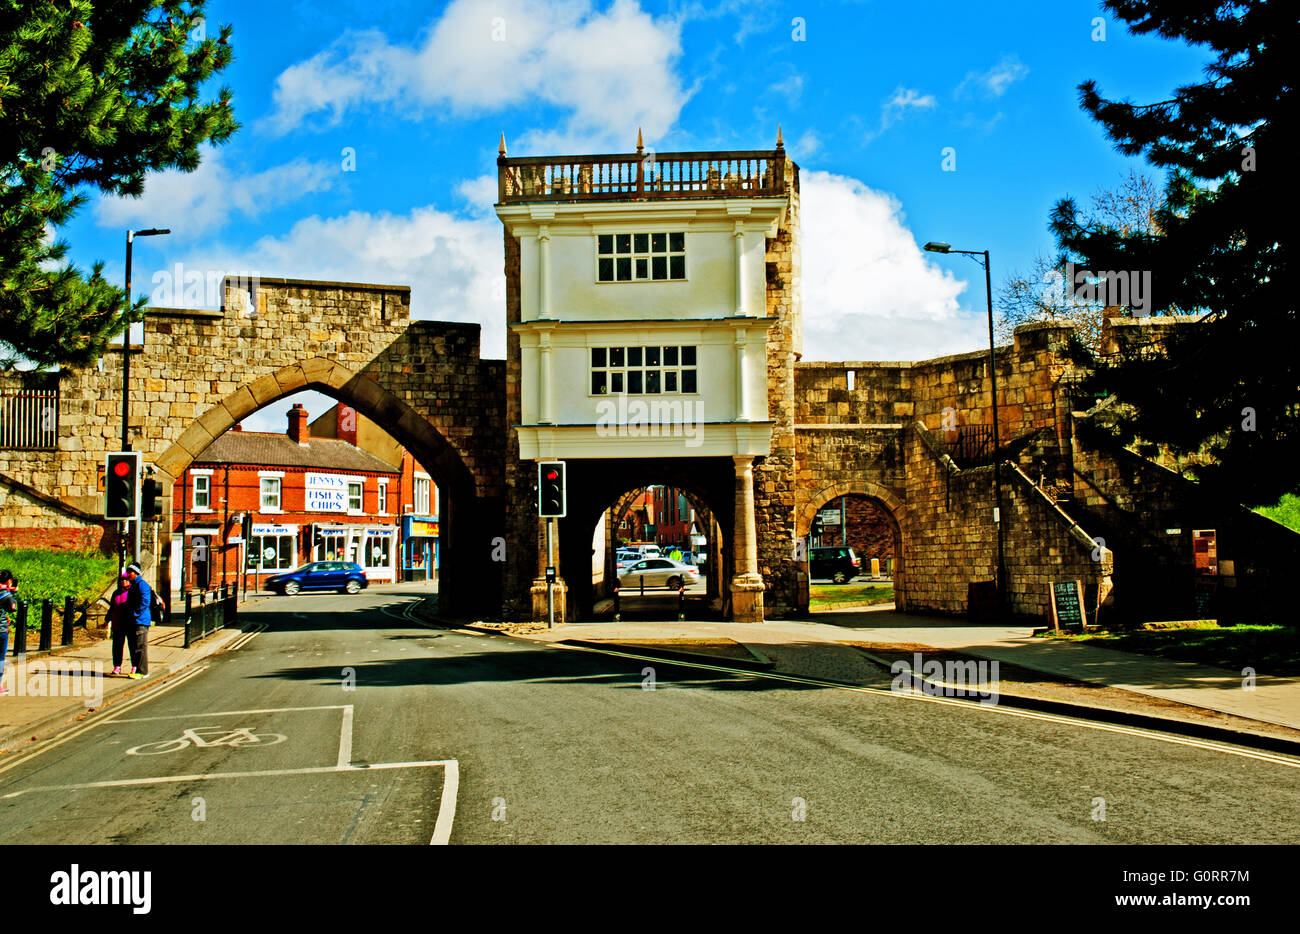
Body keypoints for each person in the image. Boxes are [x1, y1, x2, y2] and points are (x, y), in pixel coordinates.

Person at [123, 564, 153, 679]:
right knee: (134, 647)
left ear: (136, 573)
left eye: (130, 572)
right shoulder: (134, 585)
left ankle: (143, 672)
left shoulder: (142, 585)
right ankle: (137, 669)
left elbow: (145, 602)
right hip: (133, 620)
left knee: (140, 647)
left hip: (140, 620)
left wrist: (134, 614)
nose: (128, 575)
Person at [109, 572, 133, 676]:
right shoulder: (115, 593)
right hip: (118, 624)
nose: (124, 581)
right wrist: (107, 620)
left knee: (132, 647)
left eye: (126, 579)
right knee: (117, 647)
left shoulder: (133, 592)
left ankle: (134, 666)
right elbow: (111, 608)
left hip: (130, 624)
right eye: (122, 580)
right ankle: (117, 666)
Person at [0, 570, 16, 696]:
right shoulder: (6, 595)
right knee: (0, 658)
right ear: (8, 581)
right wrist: (13, 593)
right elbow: (12, 608)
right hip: (1, 630)